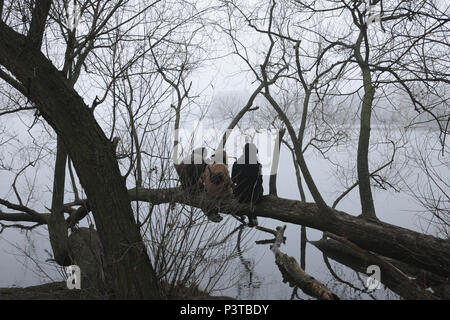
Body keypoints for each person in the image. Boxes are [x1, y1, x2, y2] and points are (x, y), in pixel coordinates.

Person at [231, 143, 263, 227]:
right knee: (257, 187)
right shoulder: (257, 165)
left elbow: (233, 179)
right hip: (252, 197)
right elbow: (260, 181)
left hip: (239, 196)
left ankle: (248, 216)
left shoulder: (236, 163)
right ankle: (252, 217)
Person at [200, 150, 232, 222]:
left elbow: (202, 178)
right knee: (231, 191)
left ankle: (212, 213)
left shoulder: (208, 166)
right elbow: (228, 181)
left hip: (209, 192)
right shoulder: (222, 166)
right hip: (220, 193)